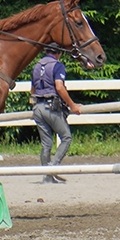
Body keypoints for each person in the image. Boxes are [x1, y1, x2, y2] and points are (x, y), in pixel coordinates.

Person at [30, 51, 83, 183]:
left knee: (46, 144)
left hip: (38, 107)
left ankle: (47, 176)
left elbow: (32, 91)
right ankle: (53, 166)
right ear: (58, 53)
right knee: (66, 137)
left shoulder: (36, 66)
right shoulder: (57, 65)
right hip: (51, 107)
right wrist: (72, 105)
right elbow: (59, 87)